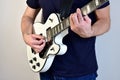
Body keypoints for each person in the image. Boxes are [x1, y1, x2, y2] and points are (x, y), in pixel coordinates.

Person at [21, 0, 110, 80]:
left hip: (78, 71)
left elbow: (105, 20)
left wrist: (90, 31)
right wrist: (26, 35)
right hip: (46, 65)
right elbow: (28, 16)